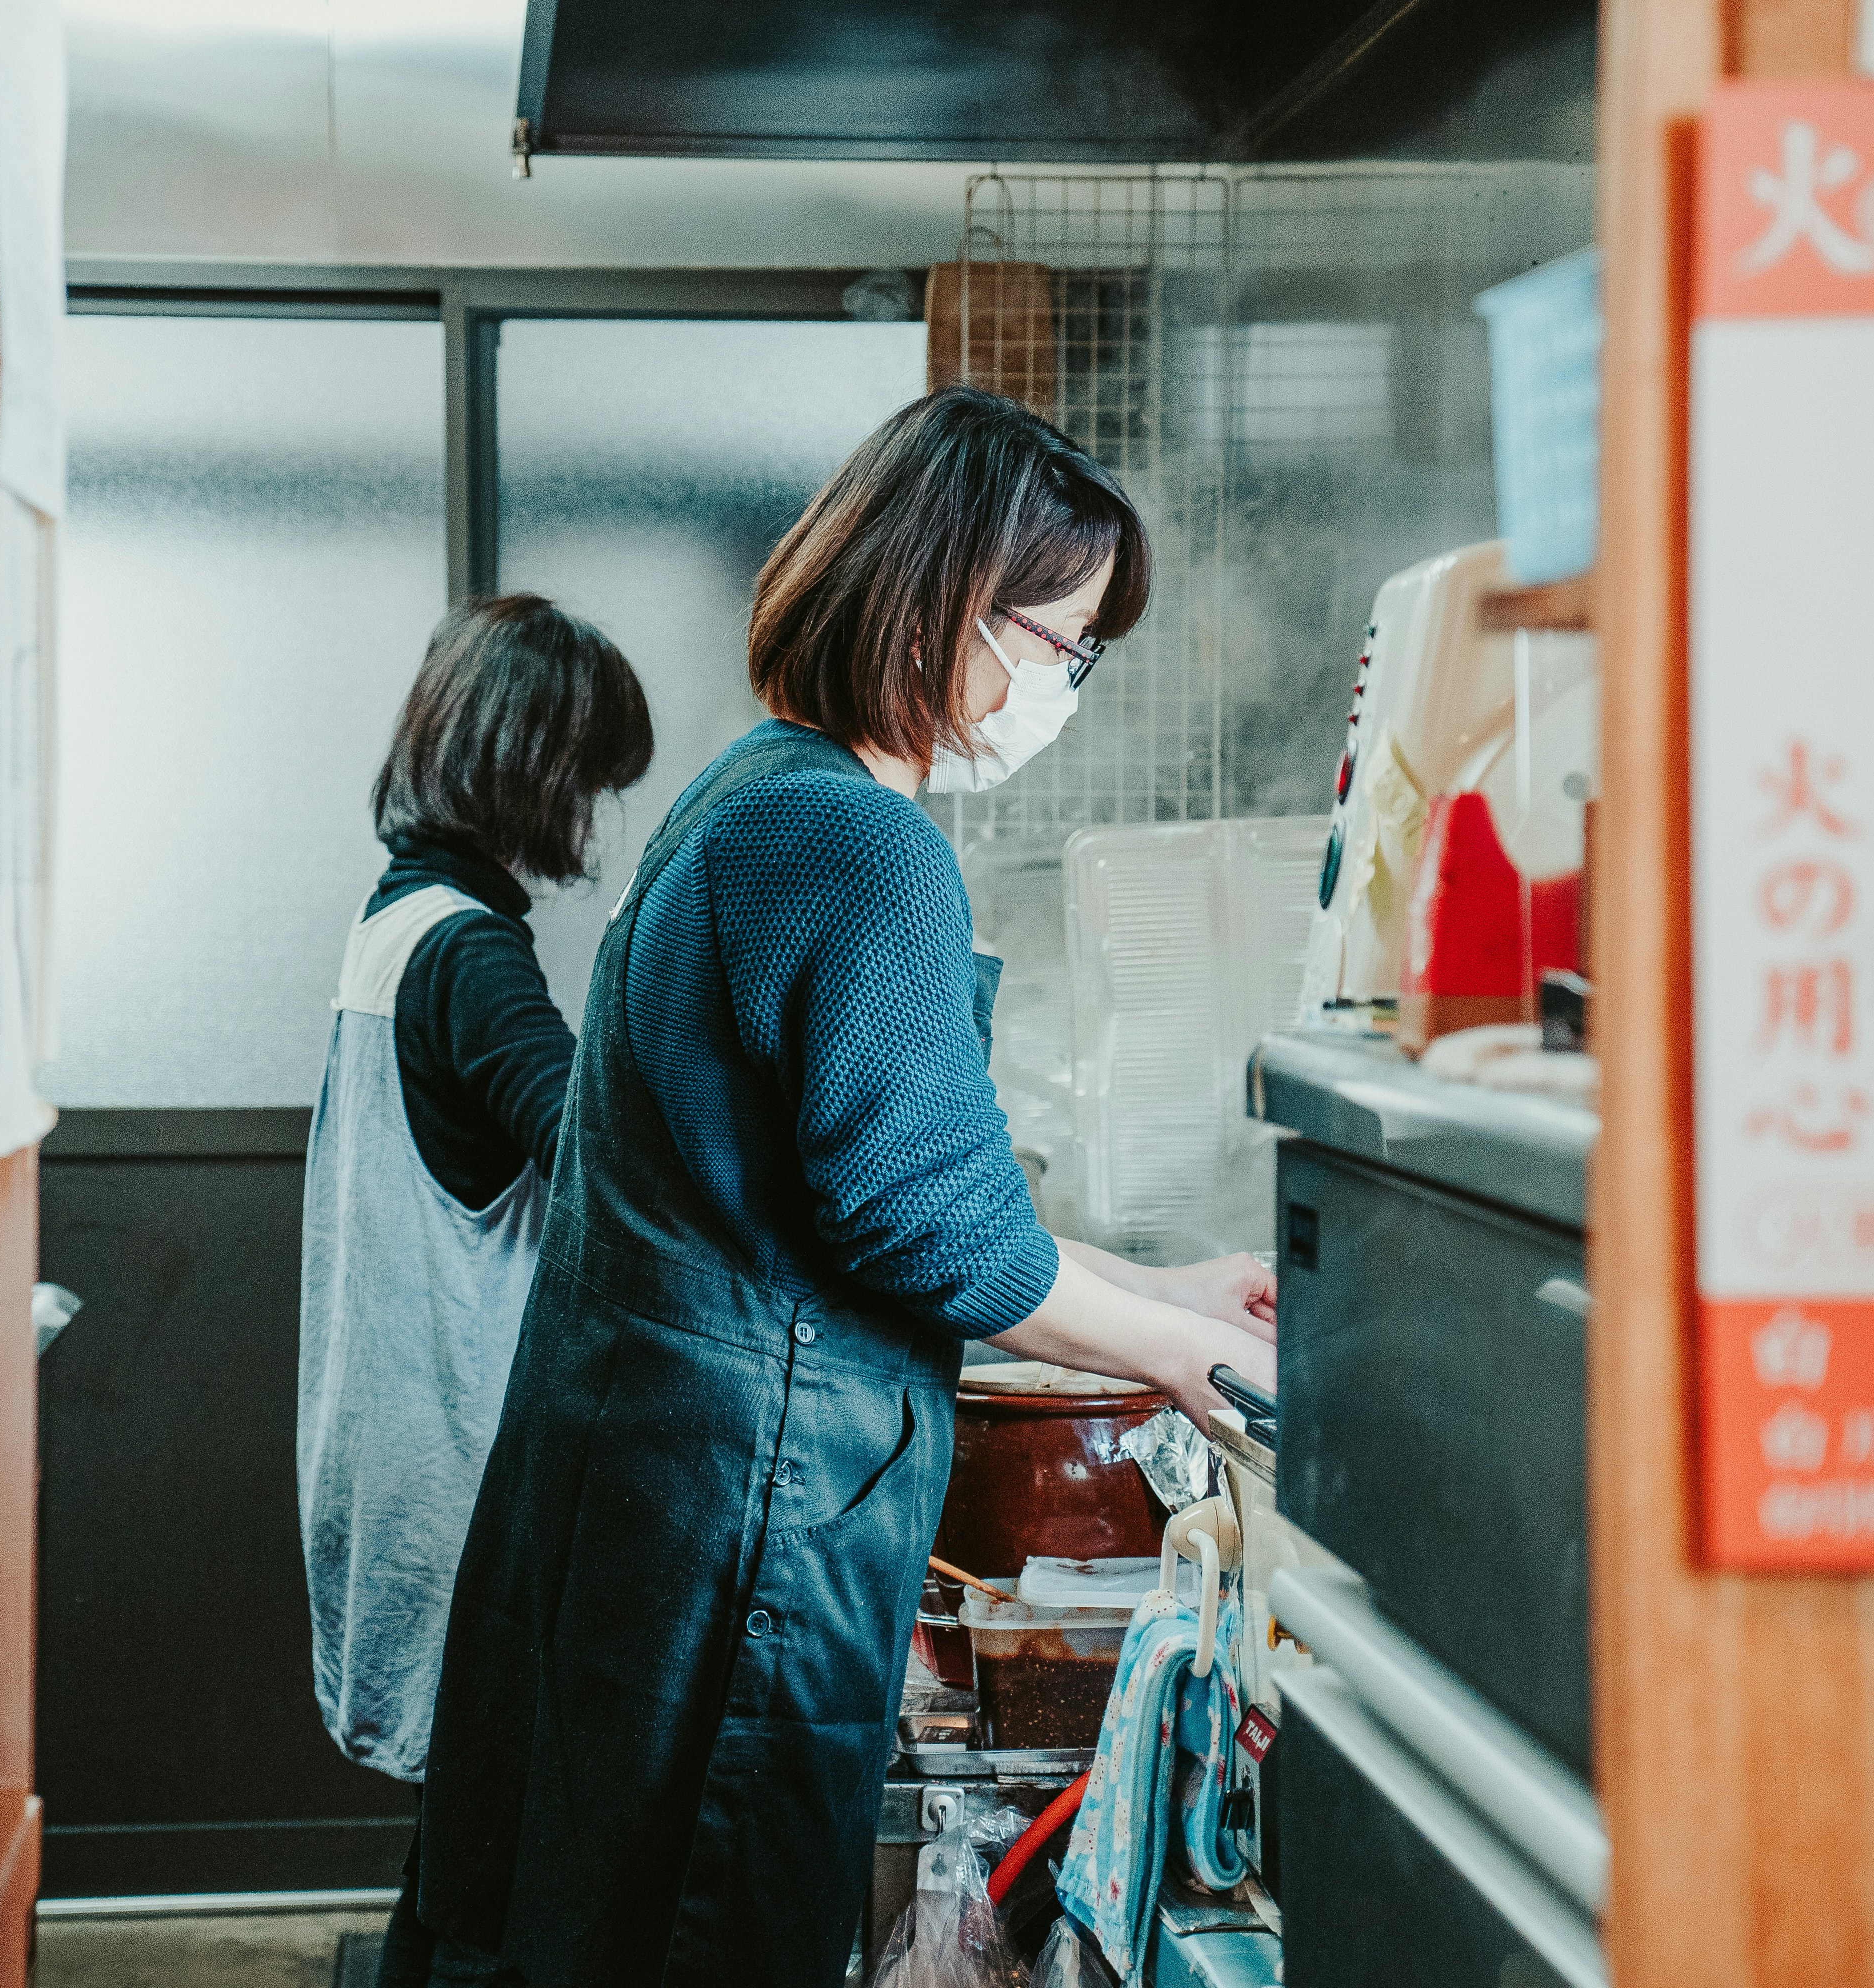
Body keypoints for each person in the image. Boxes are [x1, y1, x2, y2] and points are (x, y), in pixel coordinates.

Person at [399, 386, 1279, 1988]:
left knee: (588, 1919)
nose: (1063, 688)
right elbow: (924, 1226)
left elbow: (858, 1192)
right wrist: (1187, 1361)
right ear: (946, 601)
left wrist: (1170, 1288)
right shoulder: (857, 843)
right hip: (743, 1518)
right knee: (690, 1938)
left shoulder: (749, 797)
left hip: (662, 1494)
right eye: (1059, 644)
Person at [296, 594, 652, 1793]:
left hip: (385, 1435)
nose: (597, 815)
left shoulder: (394, 915)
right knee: (494, 1819)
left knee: (461, 1825)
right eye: (592, 779)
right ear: (533, 767)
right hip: (462, 1452)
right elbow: (599, 1157)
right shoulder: (468, 951)